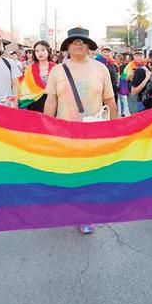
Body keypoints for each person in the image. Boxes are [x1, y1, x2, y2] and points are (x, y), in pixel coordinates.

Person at [44, 27, 117, 234]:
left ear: (89, 47)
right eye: (74, 41)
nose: (78, 44)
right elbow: (51, 100)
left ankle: (85, 214)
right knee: (67, 172)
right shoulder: (58, 70)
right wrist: (45, 127)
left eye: (83, 41)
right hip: (64, 130)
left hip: (93, 131)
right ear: (67, 46)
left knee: (89, 173)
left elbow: (109, 100)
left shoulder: (100, 69)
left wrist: (115, 128)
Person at [19, 41, 55, 112]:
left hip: (53, 102)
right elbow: (25, 87)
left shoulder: (56, 67)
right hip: (34, 103)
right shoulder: (30, 68)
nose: (40, 53)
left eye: (43, 50)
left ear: (48, 51)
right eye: (37, 51)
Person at [123, 49, 146, 115]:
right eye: (136, 56)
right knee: (135, 112)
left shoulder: (146, 65)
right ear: (133, 57)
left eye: (140, 55)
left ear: (143, 56)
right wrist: (132, 74)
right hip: (133, 91)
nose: (138, 57)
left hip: (144, 92)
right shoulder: (129, 66)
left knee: (143, 113)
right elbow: (123, 79)